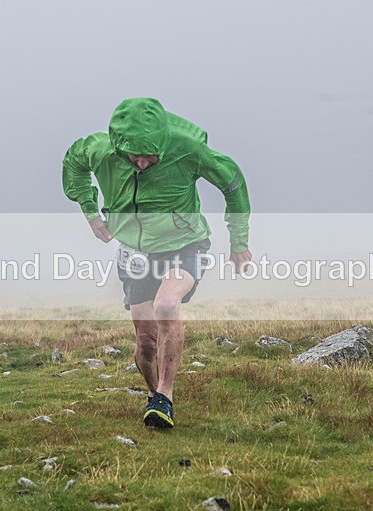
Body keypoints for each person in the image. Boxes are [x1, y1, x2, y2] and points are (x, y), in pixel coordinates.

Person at [63, 97, 252, 427]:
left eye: (151, 156)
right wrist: (91, 213)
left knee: (167, 305)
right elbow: (74, 163)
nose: (144, 163)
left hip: (185, 244)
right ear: (121, 145)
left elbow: (233, 181)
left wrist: (239, 243)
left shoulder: (188, 149)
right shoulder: (99, 149)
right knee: (146, 343)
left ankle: (166, 394)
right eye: (136, 156)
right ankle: (156, 398)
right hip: (135, 252)